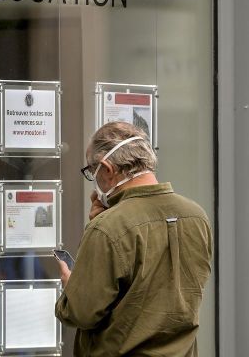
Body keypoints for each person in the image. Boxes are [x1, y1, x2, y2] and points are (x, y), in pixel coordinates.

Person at [55, 121, 213, 357]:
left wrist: (72, 289)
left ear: (107, 169)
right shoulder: (196, 215)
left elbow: (81, 313)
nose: (94, 181)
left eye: (91, 171)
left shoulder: (106, 228)